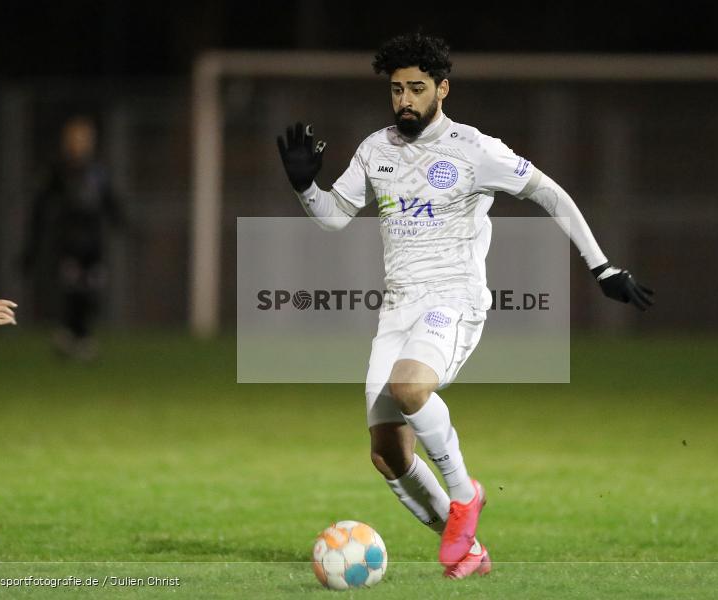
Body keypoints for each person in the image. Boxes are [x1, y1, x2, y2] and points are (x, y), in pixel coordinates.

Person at [277, 32, 654, 579]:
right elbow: (334, 216)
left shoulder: (475, 149)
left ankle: (464, 496)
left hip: (454, 299)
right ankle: (468, 550)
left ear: (442, 89)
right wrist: (304, 186)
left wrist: (600, 265)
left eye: (417, 88)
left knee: (410, 388)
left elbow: (551, 192)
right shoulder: (374, 149)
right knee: (387, 452)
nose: (405, 99)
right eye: (397, 90)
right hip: (398, 307)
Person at [22, 116, 124, 360]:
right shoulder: (58, 170)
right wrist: (32, 246)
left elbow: (110, 202)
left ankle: (81, 336)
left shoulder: (98, 171)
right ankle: (71, 335)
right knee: (72, 290)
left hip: (93, 243)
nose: (81, 143)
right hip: (68, 241)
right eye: (76, 138)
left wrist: (121, 221)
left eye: (85, 138)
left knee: (91, 291)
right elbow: (41, 206)